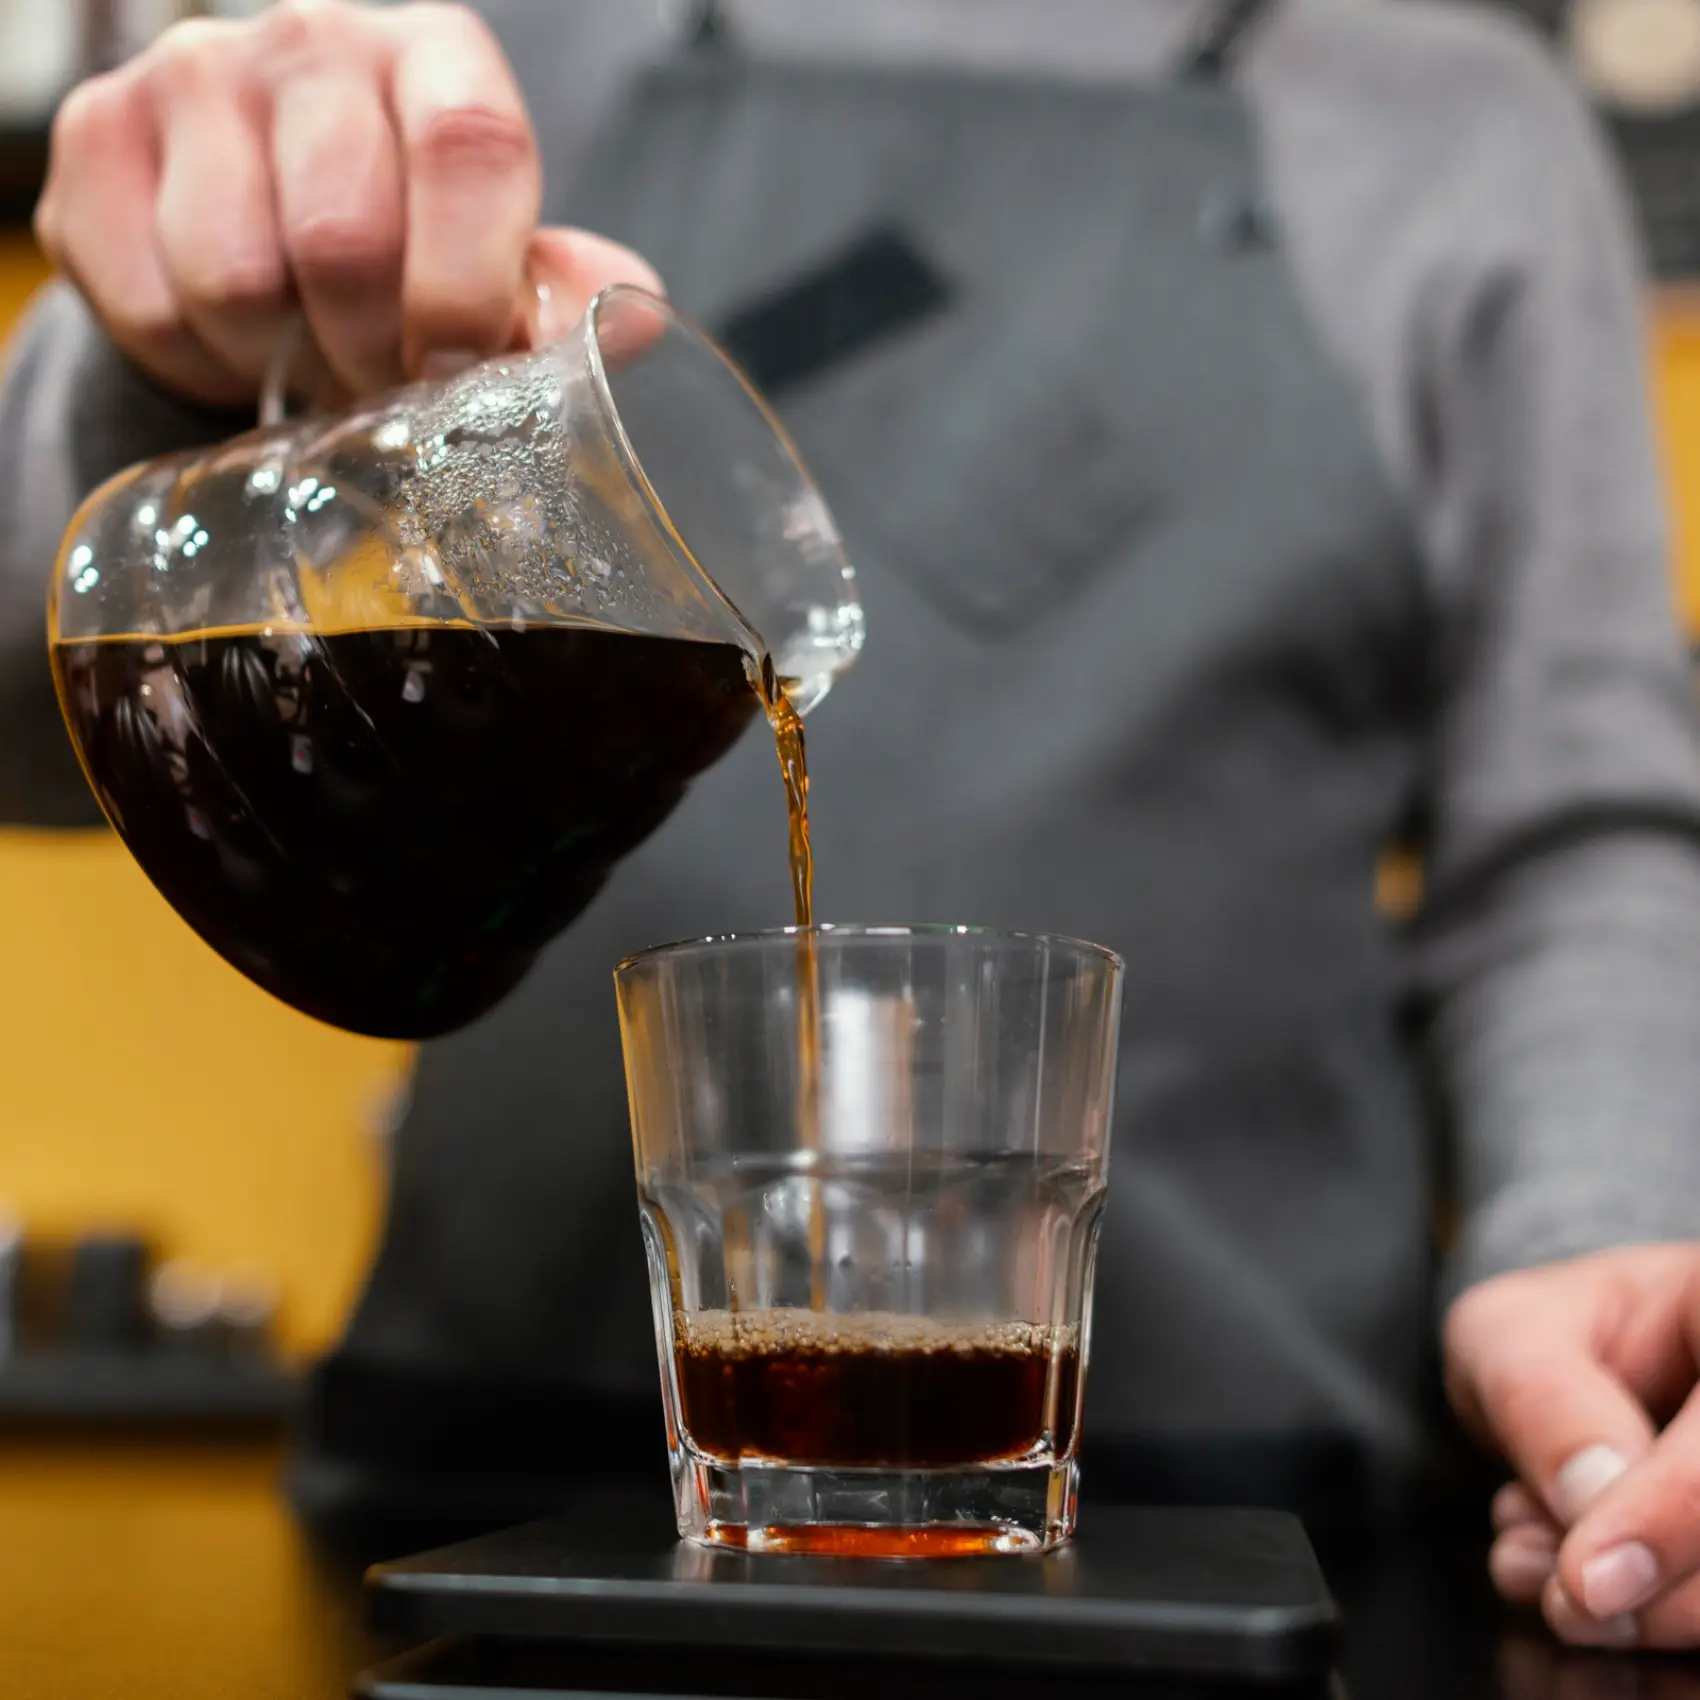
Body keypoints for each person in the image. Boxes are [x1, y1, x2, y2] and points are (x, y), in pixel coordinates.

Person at [4, 0, 1700, 1651]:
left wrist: (1598, 1232)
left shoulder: (1464, 122)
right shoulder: (483, 54)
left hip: (1255, 1527)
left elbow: (1573, 834)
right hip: (466, 1512)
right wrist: (159, 360)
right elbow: (37, 713)